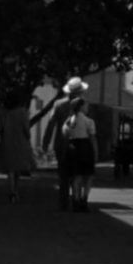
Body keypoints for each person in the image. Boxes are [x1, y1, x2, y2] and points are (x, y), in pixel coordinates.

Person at [43, 76, 89, 210]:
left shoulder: (58, 104)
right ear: (80, 91)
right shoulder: (84, 105)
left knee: (63, 174)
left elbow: (51, 124)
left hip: (62, 143)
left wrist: (46, 142)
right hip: (80, 143)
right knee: (77, 174)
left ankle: (63, 203)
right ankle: (76, 201)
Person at [0, 91, 34, 203]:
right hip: (20, 141)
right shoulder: (22, 112)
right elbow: (26, 129)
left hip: (7, 141)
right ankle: (15, 191)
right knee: (17, 168)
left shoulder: (3, 112)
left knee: (10, 169)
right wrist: (28, 137)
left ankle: (12, 191)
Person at [62, 97, 98, 212]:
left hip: (73, 148)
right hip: (85, 148)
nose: (87, 107)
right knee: (88, 176)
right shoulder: (89, 121)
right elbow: (92, 139)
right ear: (81, 107)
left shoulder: (68, 121)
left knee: (76, 176)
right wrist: (96, 152)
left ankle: (75, 200)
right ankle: (84, 199)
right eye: (85, 105)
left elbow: (65, 136)